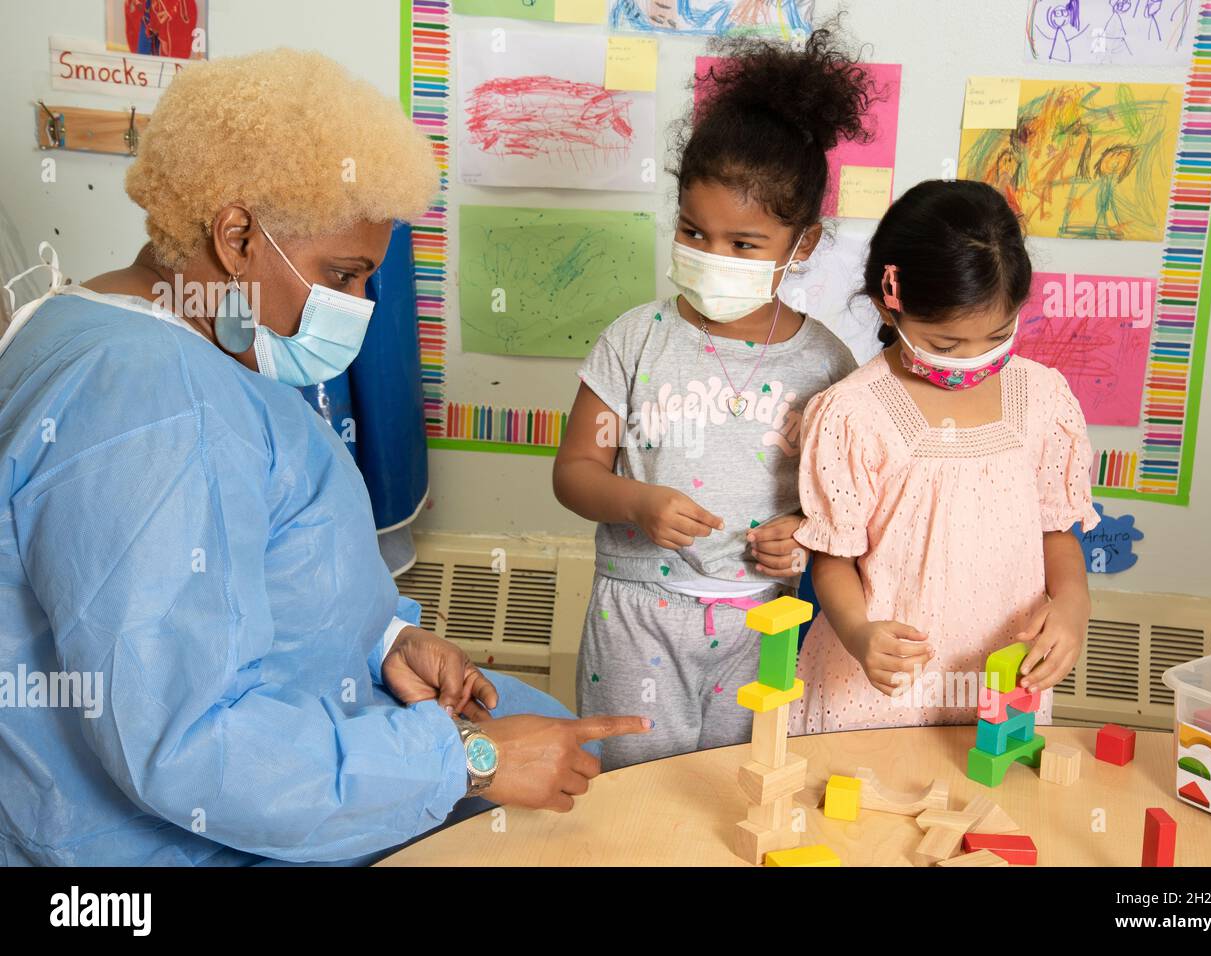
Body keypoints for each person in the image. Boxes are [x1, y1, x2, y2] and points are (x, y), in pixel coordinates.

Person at [0, 48, 646, 867]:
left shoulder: (123, 326)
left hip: (299, 731)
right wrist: (469, 762)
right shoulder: (154, 399)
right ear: (237, 236)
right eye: (342, 274)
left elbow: (251, 569)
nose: (361, 307)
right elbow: (184, 748)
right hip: (173, 837)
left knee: (573, 761)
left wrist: (382, 644)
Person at [553, 27, 868, 770]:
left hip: (765, 618)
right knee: (633, 786)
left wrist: (805, 530)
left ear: (804, 246)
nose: (712, 256)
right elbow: (573, 471)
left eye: (743, 243)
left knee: (733, 784)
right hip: (635, 617)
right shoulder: (634, 340)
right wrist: (636, 503)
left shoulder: (828, 364)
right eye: (694, 232)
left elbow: (850, 502)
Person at [791, 179, 1097, 734]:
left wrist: (1073, 604)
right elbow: (833, 555)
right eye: (946, 345)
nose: (972, 362)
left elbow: (1055, 531)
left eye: (998, 336)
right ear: (892, 302)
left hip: (1003, 678)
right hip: (879, 687)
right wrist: (859, 633)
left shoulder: (1043, 399)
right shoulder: (853, 413)